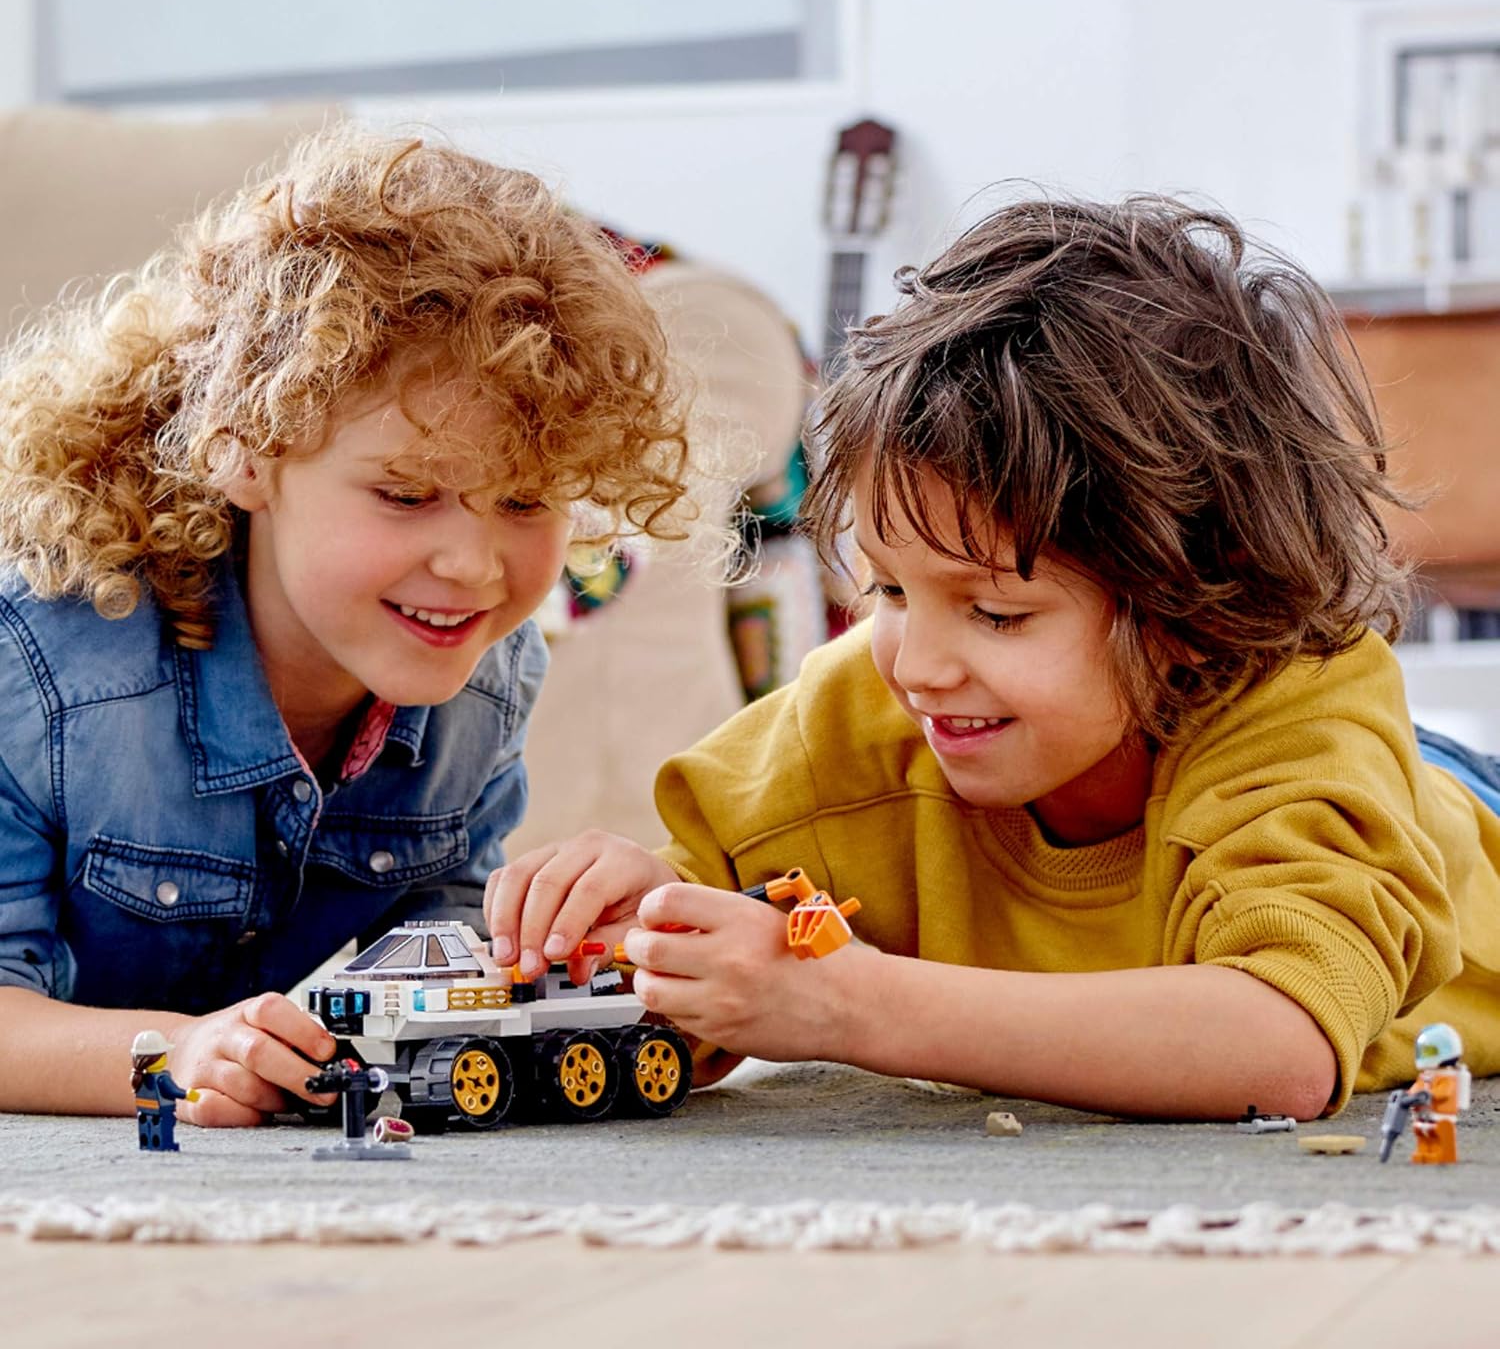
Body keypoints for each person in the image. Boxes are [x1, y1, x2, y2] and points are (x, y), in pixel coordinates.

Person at [487, 193, 1500, 1122]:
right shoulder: (860, 719)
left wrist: (849, 1004)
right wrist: (639, 933)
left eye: (997, 613)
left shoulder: (1295, 712)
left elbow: (1278, 1052)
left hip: (1442, 807)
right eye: (890, 590)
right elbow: (709, 957)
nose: (917, 665)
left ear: (1198, 603)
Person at [0, 126, 692, 1124]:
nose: (473, 568)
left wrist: (582, 948)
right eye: (407, 496)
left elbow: (440, 933)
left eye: (525, 502)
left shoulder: (488, 671)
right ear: (244, 450)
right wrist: (176, 1055)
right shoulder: (40, 661)